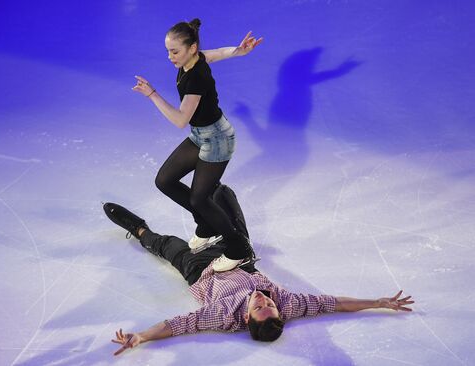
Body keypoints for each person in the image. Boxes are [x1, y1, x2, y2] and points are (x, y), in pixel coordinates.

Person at [102, 184, 415, 356]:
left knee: (165, 244)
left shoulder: (224, 315)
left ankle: (139, 229)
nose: (263, 301)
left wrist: (141, 336)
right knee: (224, 197)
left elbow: (179, 324)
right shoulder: (288, 305)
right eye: (270, 306)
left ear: (246, 317)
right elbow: (335, 303)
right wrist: (376, 302)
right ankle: (215, 206)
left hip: (201, 270)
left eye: (259, 307)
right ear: (280, 312)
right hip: (238, 258)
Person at [131, 18, 263, 271]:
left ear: (191, 48)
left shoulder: (197, 78)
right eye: (168, 51)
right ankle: (206, 226)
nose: (170, 57)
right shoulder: (196, 58)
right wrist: (238, 50)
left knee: (200, 198)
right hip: (201, 135)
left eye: (175, 51)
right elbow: (219, 53)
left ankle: (238, 249)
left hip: (218, 139)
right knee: (165, 180)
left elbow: (181, 119)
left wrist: (152, 94)